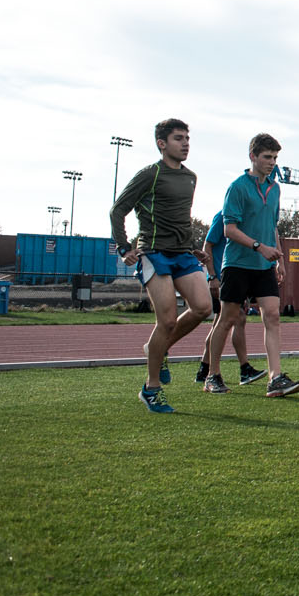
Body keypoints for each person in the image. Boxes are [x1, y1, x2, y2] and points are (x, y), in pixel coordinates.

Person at [109, 118, 214, 414]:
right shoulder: (150, 175)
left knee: (204, 308)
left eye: (187, 139)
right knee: (166, 321)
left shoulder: (191, 177)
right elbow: (118, 209)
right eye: (179, 139)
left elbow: (178, 216)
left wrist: (193, 246)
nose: (185, 144)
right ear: (162, 144)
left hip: (183, 253)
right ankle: (151, 388)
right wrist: (123, 247)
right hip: (153, 253)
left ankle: (159, 348)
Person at [206, 133, 299, 398]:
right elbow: (229, 230)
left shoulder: (275, 188)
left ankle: (275, 378)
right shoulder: (237, 187)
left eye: (275, 158)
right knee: (225, 321)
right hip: (237, 264)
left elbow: (272, 226)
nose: (272, 162)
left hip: (264, 267)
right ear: (253, 156)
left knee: (272, 316)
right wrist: (259, 247)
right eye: (267, 157)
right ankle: (212, 375)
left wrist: (279, 258)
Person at [194, 208, 264, 392]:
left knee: (225, 320)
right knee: (229, 319)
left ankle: (205, 368)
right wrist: (212, 276)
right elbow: (207, 246)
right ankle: (240, 369)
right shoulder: (223, 216)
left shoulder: (245, 219)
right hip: (222, 276)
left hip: (233, 275)